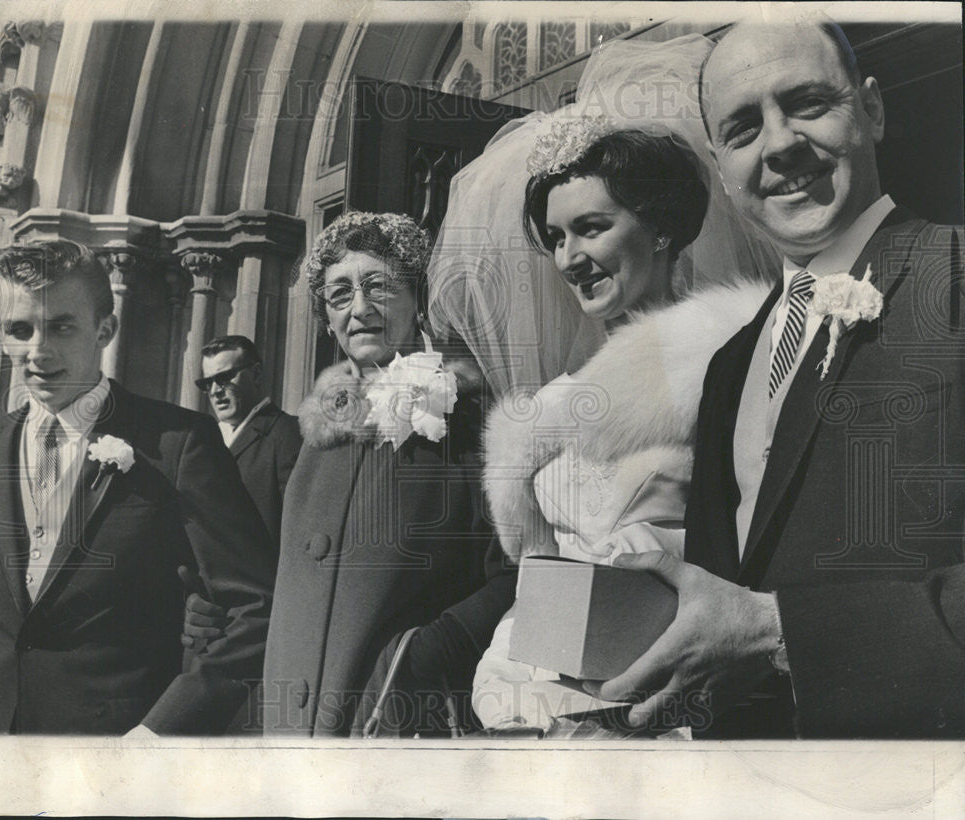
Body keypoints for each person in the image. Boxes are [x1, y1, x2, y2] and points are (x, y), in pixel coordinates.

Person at [595, 22, 964, 739]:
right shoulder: (731, 361)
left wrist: (780, 633)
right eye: (742, 129)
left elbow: (757, 627)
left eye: (807, 102)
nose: (781, 145)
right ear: (721, 168)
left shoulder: (954, 276)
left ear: (873, 110)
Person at [426, 35, 777, 734]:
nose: (569, 258)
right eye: (554, 238)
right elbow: (545, 579)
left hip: (682, 699)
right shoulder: (558, 398)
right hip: (551, 700)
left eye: (590, 228)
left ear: (660, 229)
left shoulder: (733, 357)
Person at [0, 239, 276, 735]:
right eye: (20, 329)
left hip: (113, 751)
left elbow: (255, 608)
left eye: (61, 326)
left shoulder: (177, 445)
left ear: (105, 328)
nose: (37, 351)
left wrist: (160, 733)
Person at [248, 212, 517, 736]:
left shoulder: (463, 419)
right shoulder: (317, 435)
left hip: (397, 723)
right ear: (326, 318)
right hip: (293, 730)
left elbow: (516, 570)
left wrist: (425, 653)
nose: (361, 309)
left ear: (418, 299)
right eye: (340, 294)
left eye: (379, 287)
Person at [198, 334, 302, 549]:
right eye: (207, 383)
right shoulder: (208, 440)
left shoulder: (287, 433)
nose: (216, 391)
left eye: (225, 377)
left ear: (256, 374)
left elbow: (298, 527)